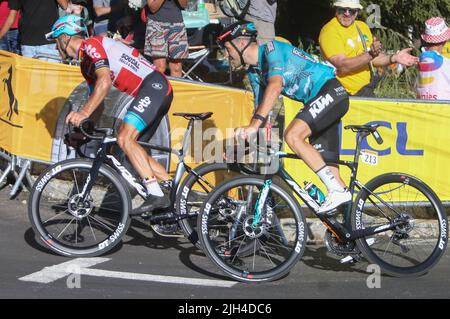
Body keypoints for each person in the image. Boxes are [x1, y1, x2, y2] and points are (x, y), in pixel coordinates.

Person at [217, 21, 352, 214]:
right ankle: (355, 234)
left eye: (227, 49)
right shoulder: (255, 72)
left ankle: (337, 190)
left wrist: (252, 127)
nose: (226, 55)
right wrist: (241, 148)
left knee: (293, 136)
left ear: (240, 44)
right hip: (322, 102)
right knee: (333, 176)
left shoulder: (271, 49)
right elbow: (260, 115)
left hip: (330, 91)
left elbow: (276, 86)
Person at [46, 15, 174, 214]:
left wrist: (82, 113)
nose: (56, 48)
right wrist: (83, 132)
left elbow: (104, 82)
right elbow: (99, 105)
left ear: (64, 37)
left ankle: (156, 194)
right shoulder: (85, 64)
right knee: (132, 147)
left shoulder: (91, 45)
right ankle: (175, 192)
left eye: (56, 42)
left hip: (154, 86)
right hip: (152, 90)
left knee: (124, 138)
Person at [319, 0, 418, 97]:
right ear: (336, 9)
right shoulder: (330, 31)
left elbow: (373, 59)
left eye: (351, 10)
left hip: (366, 89)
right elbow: (342, 65)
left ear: (357, 11)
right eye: (343, 9)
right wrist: (370, 54)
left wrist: (393, 58)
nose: (347, 14)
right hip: (342, 94)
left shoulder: (362, 27)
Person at [8, 0, 74, 61]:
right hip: (27, 43)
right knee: (29, 73)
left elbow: (64, 5)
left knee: (51, 73)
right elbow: (12, 14)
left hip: (49, 43)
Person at [143, 0, 189, 77]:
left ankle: (175, 89)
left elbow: (184, 4)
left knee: (176, 67)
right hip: (156, 25)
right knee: (160, 67)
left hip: (177, 24)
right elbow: (153, 8)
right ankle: (159, 88)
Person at [417, 17, 450, 100]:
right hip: (443, 108)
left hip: (421, 106)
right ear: (445, 40)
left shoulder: (421, 59)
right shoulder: (447, 64)